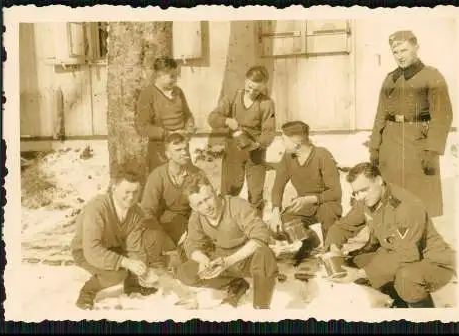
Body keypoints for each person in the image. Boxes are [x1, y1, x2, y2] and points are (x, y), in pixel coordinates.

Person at [324, 162, 456, 308]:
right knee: (353, 263)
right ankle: (397, 304)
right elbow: (341, 226)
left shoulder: (406, 206)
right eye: (356, 192)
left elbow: (406, 255)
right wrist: (334, 248)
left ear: (379, 180)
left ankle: (425, 316)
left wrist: (361, 273)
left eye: (364, 190)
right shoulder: (366, 200)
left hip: (432, 261)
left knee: (406, 279)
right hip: (395, 253)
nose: (360, 197)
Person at [368, 30, 453, 218]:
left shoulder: (432, 76)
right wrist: (374, 146)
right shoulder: (390, 78)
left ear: (416, 48)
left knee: (419, 199)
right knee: (392, 198)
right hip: (390, 143)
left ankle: (420, 243)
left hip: (417, 143)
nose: (400, 56)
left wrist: (432, 150)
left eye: (404, 51)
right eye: (395, 52)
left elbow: (442, 116)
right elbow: (380, 114)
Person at [175, 175, 279, 309]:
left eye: (208, 198)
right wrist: (203, 260)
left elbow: (260, 236)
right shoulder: (197, 216)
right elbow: (192, 244)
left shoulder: (237, 205)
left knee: (264, 254)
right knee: (184, 272)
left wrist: (229, 261)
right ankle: (235, 283)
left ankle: (261, 307)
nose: (206, 206)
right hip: (221, 262)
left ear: (216, 191)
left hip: (247, 259)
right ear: (193, 206)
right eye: (199, 203)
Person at [70, 169, 158, 310]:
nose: (131, 197)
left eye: (135, 192)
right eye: (127, 192)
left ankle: (133, 285)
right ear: (114, 188)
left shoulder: (136, 212)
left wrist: (140, 270)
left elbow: (134, 248)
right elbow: (92, 250)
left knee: (149, 242)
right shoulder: (97, 208)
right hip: (86, 252)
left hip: (113, 248)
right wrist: (125, 262)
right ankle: (87, 293)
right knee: (115, 275)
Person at [269, 121, 343, 265]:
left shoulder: (322, 155)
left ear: (296, 143)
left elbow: (335, 192)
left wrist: (309, 199)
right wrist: (275, 211)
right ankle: (310, 241)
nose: (282, 144)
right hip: (304, 206)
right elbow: (278, 186)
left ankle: (330, 250)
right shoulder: (287, 157)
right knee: (280, 227)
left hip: (326, 204)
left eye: (284, 140)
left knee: (328, 213)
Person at [207, 66, 276, 217]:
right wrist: (226, 121)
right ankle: (226, 224)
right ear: (245, 81)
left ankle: (256, 230)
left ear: (264, 86)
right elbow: (212, 118)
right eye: (249, 87)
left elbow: (269, 132)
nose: (252, 92)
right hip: (234, 150)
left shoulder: (266, 103)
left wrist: (258, 144)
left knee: (256, 195)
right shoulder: (232, 97)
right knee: (230, 190)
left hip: (255, 152)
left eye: (257, 90)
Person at [140, 132, 211, 270]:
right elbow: (147, 211)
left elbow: (208, 202)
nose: (184, 153)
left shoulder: (197, 175)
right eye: (178, 150)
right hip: (162, 223)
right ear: (168, 154)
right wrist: (160, 237)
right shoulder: (158, 176)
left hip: (189, 222)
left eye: (185, 149)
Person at [136, 56, 196, 173]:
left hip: (182, 145)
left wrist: (189, 129)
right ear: (159, 75)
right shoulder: (148, 94)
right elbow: (143, 127)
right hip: (160, 150)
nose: (175, 80)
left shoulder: (178, 92)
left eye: (176, 75)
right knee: (163, 183)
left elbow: (188, 115)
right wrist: (168, 134)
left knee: (186, 180)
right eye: (171, 76)